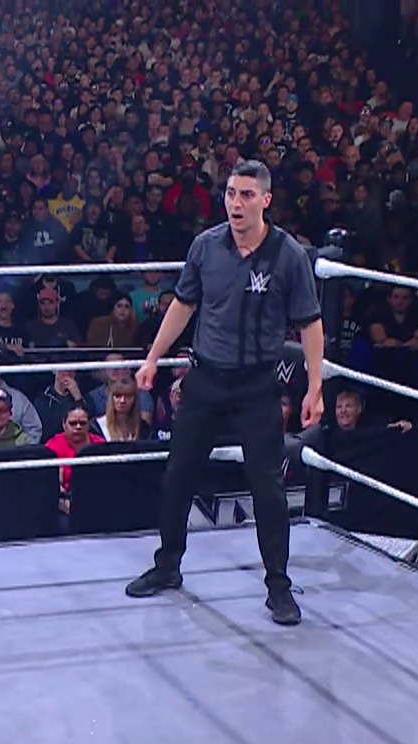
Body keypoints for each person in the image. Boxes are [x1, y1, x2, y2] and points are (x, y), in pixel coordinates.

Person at [127, 161, 326, 625]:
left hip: (257, 384)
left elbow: (310, 323)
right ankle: (167, 565)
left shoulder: (288, 255)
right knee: (178, 474)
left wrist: (315, 386)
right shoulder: (206, 245)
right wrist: (153, 358)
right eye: (231, 194)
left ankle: (278, 586)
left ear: (266, 201)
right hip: (205, 379)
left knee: (267, 485)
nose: (236, 203)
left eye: (247, 195)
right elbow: (183, 305)